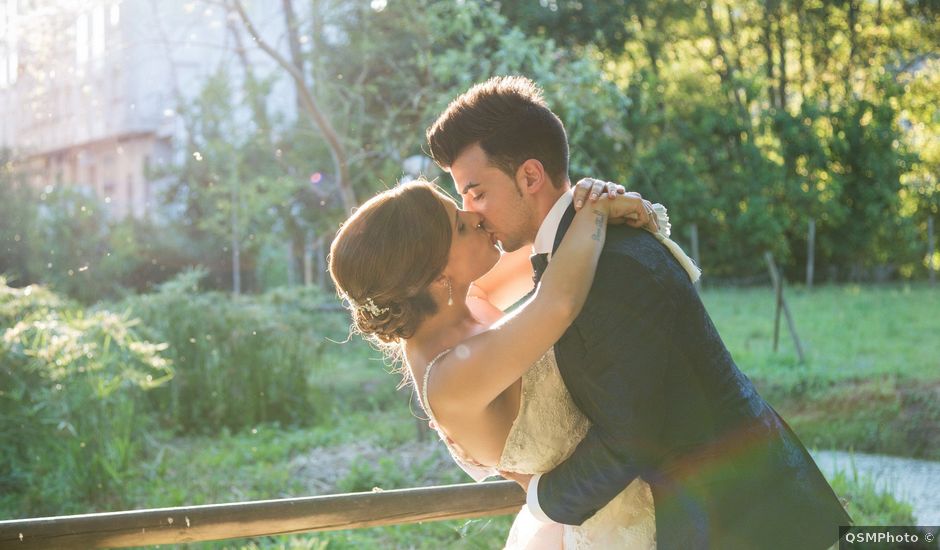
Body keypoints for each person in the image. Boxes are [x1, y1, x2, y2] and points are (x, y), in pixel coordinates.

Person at [425, 75, 851, 549]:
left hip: (744, 519)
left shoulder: (611, 265)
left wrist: (540, 499)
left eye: (477, 192)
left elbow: (632, 439)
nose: (473, 212)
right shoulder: (581, 247)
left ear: (529, 176)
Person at [329, 178, 678, 548]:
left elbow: (553, 241)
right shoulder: (449, 378)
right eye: (460, 226)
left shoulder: (462, 303)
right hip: (609, 525)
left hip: (637, 477)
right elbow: (558, 302)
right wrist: (595, 211)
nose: (475, 216)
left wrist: (589, 196)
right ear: (435, 275)